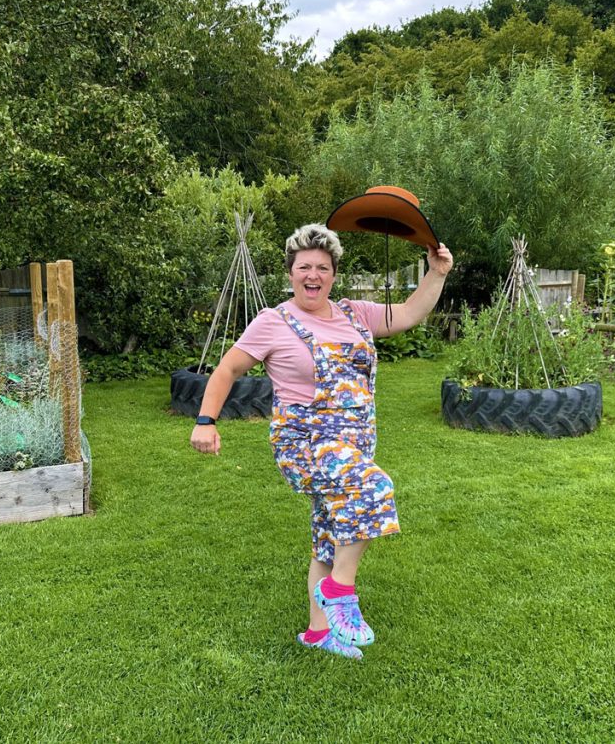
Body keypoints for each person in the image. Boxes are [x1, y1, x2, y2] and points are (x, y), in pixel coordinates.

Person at [190, 223, 454, 659]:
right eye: (304, 267)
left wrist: (437, 273)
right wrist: (206, 420)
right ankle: (339, 590)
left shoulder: (355, 314)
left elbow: (408, 313)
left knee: (329, 536)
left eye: (323, 268)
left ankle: (318, 632)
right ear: (290, 273)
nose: (313, 275)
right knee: (374, 488)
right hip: (305, 442)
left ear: (333, 275)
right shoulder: (273, 322)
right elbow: (227, 370)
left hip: (353, 443)